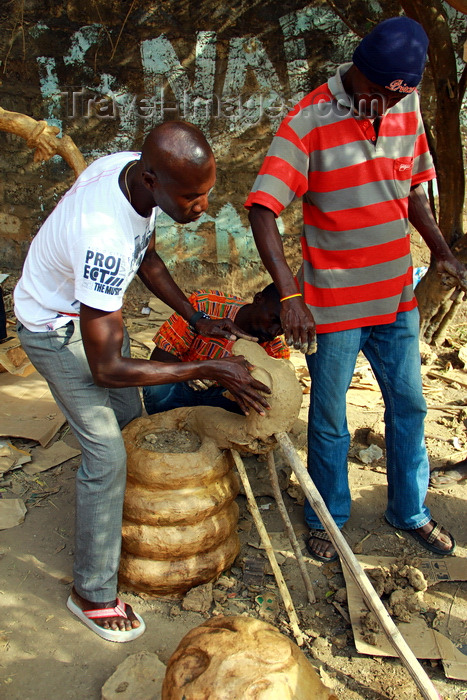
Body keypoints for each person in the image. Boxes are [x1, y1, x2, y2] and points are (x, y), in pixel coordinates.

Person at [14, 121, 271, 641]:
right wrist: (207, 366)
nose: (202, 207)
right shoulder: (103, 239)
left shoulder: (130, 169)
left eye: (206, 192)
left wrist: (196, 317)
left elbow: (147, 258)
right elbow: (106, 368)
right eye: (191, 197)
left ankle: (116, 528)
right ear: (153, 180)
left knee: (132, 422)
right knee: (107, 452)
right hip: (52, 328)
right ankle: (91, 593)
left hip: (91, 315)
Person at [245, 17, 467, 562]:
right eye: (371, 95)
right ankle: (328, 517)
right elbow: (262, 208)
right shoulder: (309, 119)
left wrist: (438, 249)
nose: (379, 109)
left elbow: (412, 185)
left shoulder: (403, 103)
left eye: (392, 100)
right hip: (334, 303)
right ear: (356, 70)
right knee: (329, 419)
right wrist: (291, 296)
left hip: (397, 296)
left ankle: (409, 510)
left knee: (410, 408)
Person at [143, 283, 289, 415]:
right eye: (274, 319)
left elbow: (274, 399)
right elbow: (159, 360)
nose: (273, 332)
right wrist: (205, 371)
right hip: (184, 386)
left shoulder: (276, 350)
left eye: (282, 329)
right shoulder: (205, 305)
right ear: (258, 299)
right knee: (158, 387)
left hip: (225, 400)